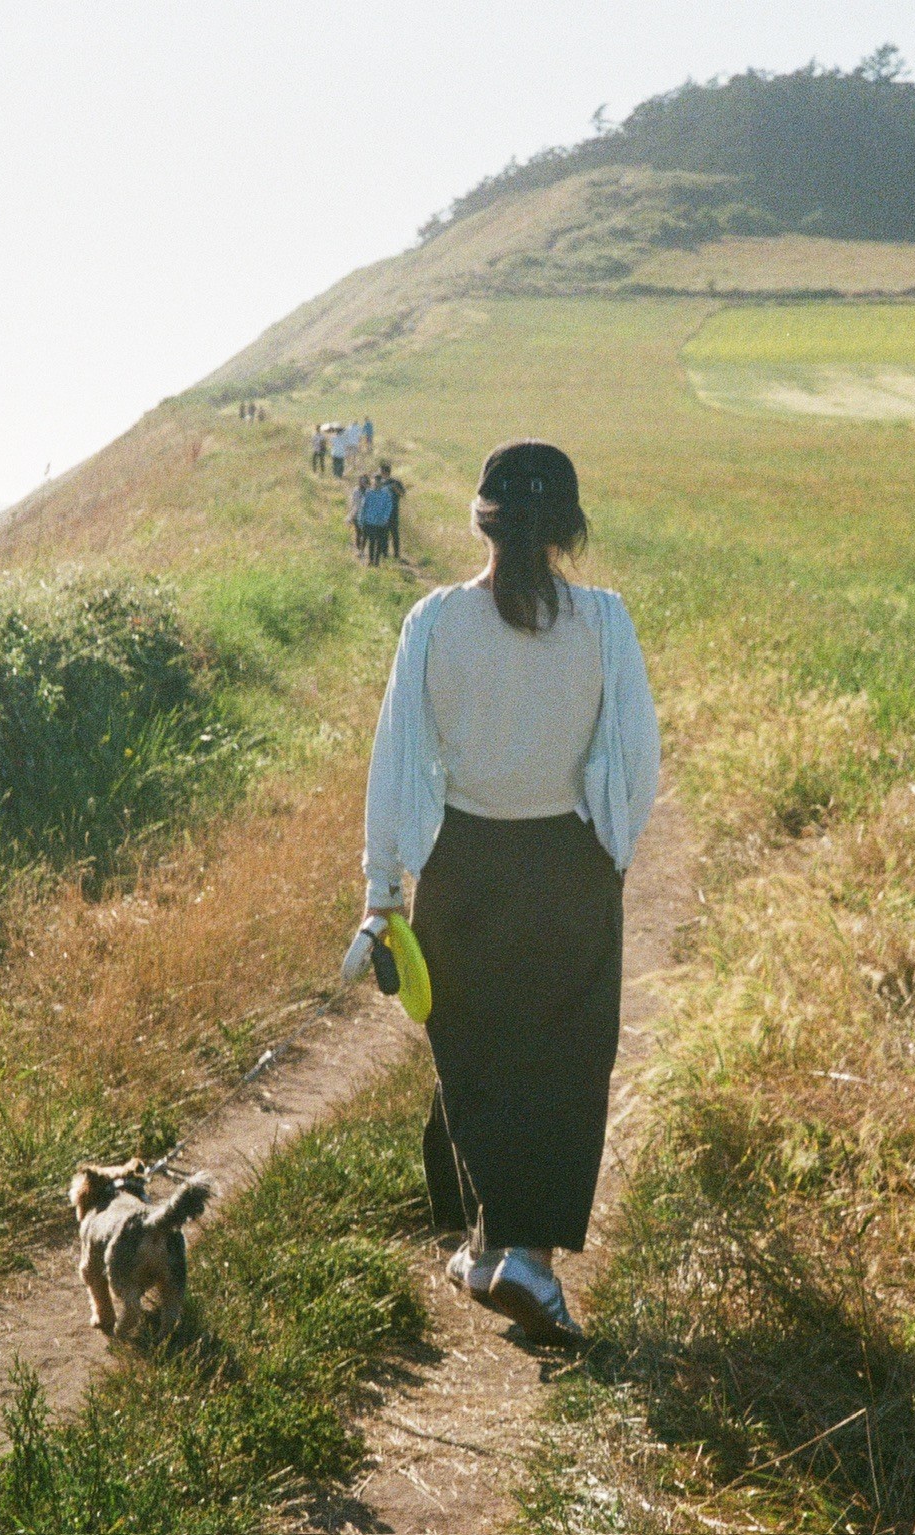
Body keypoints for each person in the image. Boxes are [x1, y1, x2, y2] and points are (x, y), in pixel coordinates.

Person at [356, 439, 660, 1345]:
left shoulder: (436, 621)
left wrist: (383, 893)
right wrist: (611, 851)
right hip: (568, 866)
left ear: (481, 519)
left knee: (477, 1061)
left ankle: (493, 1250)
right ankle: (522, 1257)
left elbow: (395, 763)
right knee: (562, 1069)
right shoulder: (604, 620)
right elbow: (638, 761)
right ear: (569, 529)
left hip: (462, 869)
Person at [356, 470, 396, 566]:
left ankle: (376, 562)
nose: (376, 483)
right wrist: (361, 520)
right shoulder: (368, 493)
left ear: (381, 482)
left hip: (381, 522)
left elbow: (388, 507)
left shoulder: (386, 494)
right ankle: (370, 560)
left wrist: (385, 518)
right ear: (373, 481)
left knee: (379, 543)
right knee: (371, 542)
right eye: (375, 481)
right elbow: (363, 507)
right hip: (369, 522)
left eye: (378, 481)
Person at [376, 460, 405, 560]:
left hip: (393, 511)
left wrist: (395, 488)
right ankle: (384, 553)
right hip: (381, 511)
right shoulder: (378, 482)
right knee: (383, 533)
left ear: (385, 472)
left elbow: (402, 494)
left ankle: (396, 554)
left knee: (394, 534)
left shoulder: (396, 482)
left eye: (380, 471)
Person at [349, 473, 374, 560]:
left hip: (366, 515)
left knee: (365, 534)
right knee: (358, 533)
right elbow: (353, 503)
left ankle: (362, 550)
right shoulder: (356, 490)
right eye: (361, 480)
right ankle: (358, 550)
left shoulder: (370, 490)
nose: (363, 482)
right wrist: (351, 515)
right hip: (357, 514)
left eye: (364, 480)